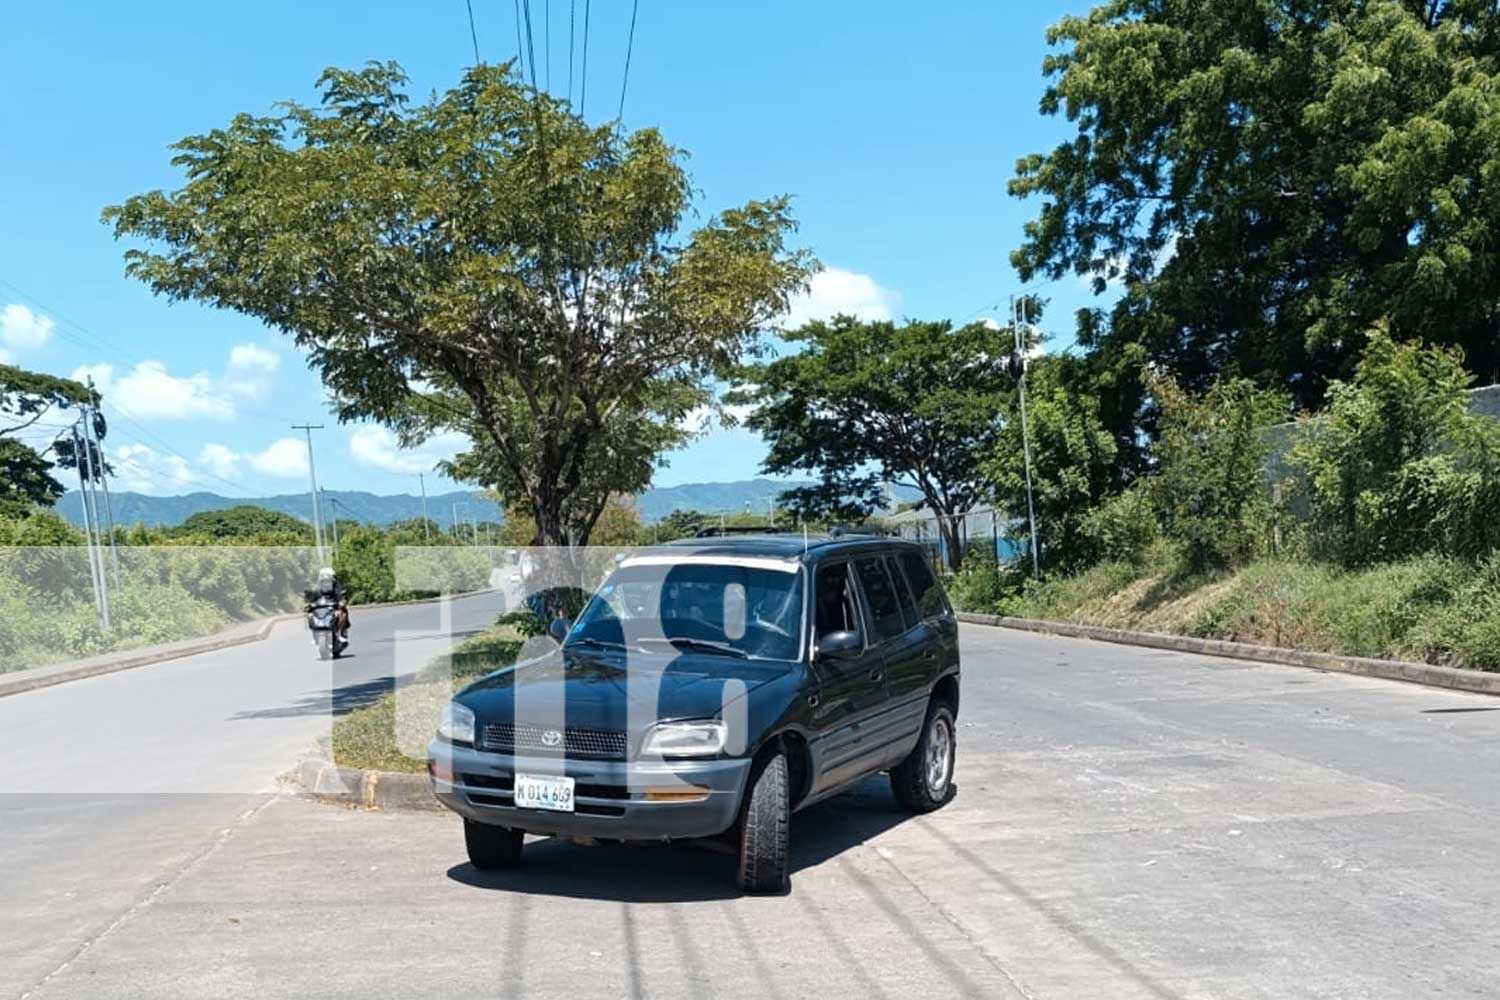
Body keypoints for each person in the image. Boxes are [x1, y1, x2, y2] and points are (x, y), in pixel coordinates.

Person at [307, 567, 350, 640]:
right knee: (310, 615)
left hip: (333, 609)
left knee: (341, 613)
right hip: (321, 611)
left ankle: (340, 632)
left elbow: (341, 597)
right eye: (324, 581)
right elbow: (313, 600)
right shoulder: (318, 591)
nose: (326, 583)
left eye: (328, 581)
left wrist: (341, 602)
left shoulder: (336, 590)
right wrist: (310, 605)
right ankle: (315, 634)